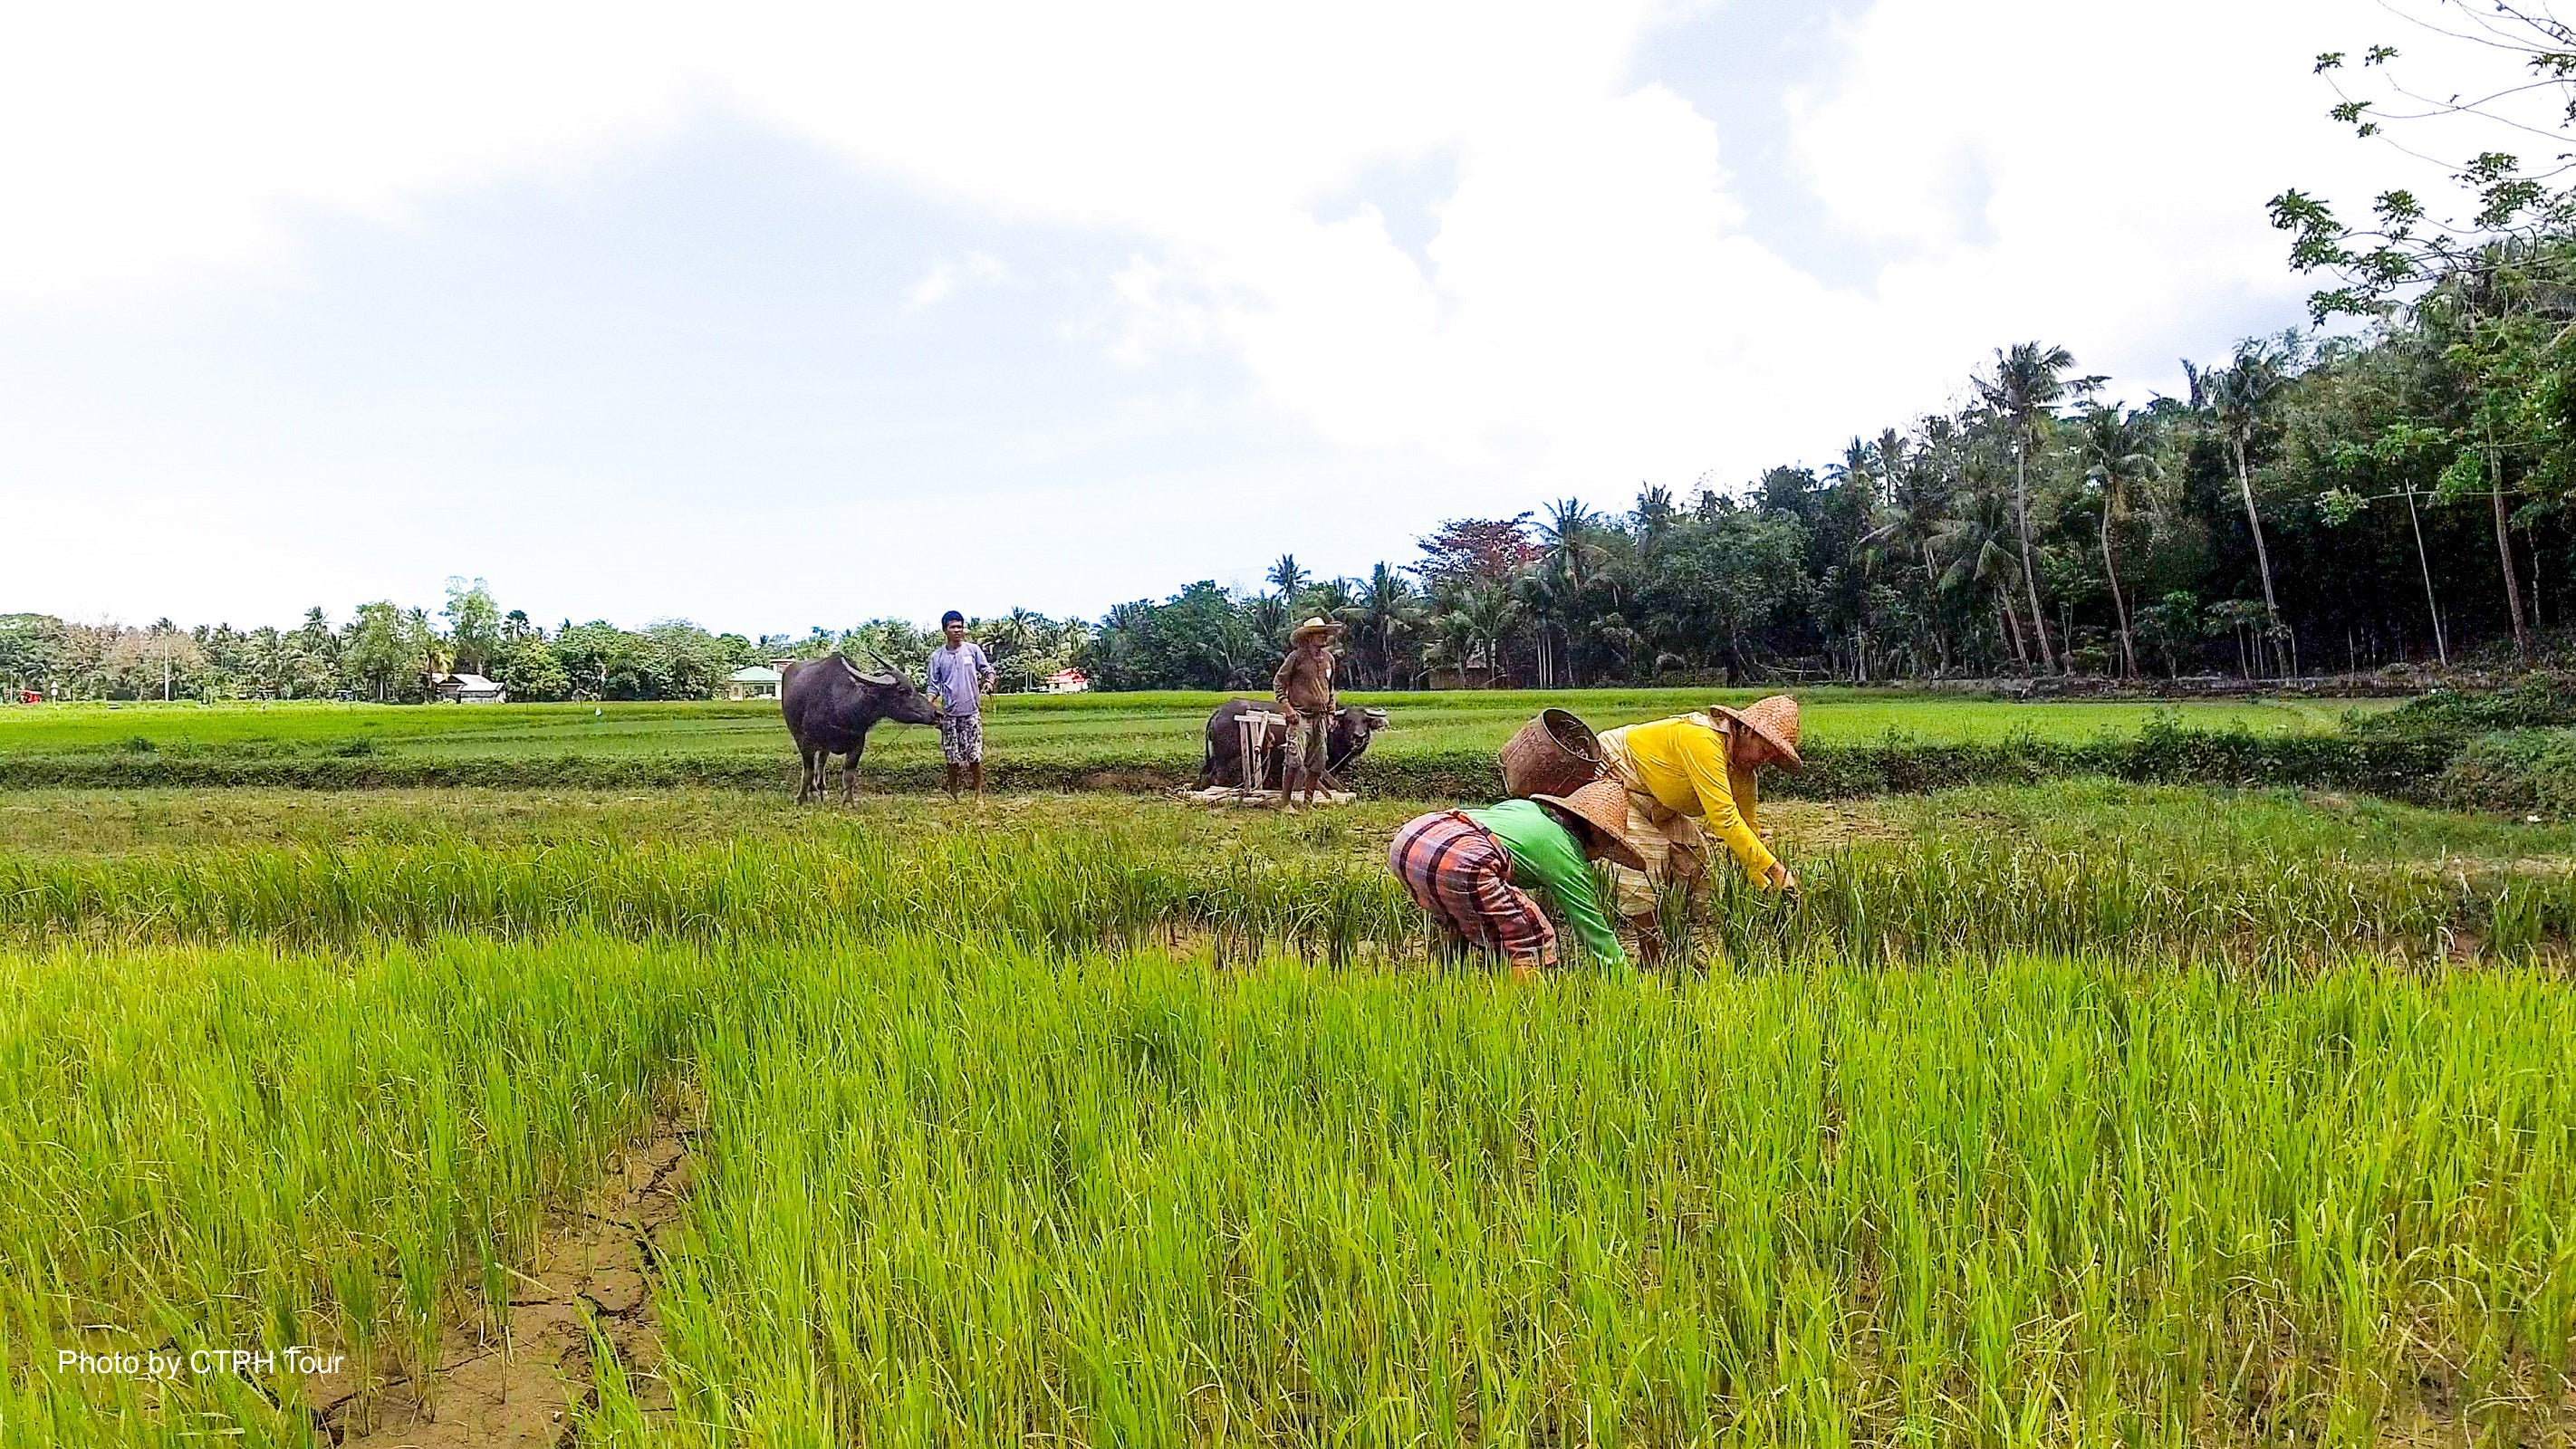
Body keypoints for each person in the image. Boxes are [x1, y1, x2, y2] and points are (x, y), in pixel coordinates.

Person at [1592, 695, 1803, 964]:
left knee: (1696, 864)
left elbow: (1749, 828)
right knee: (1647, 860)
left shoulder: (1743, 774)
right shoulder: (1703, 741)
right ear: (1747, 731)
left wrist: (1769, 886)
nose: (1764, 760)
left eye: (1772, 757)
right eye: (1764, 750)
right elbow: (1724, 819)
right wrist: (1777, 871)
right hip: (1615, 773)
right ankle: (1653, 963)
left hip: (1658, 800)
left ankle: (1683, 950)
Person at [1389, 779, 1647, 976]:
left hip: (1412, 839)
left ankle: (1445, 986)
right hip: (1463, 855)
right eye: (1605, 846)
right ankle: (1523, 1015)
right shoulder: (1567, 856)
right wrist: (1625, 981)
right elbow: (1594, 931)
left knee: (1459, 922)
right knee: (1531, 939)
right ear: (1593, 831)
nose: (1599, 857)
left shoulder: (1525, 808)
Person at [924, 609, 995, 800]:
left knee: (974, 756)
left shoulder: (973, 651)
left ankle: (978, 795)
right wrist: (928, 703)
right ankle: (954, 795)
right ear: (945, 630)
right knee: (952, 759)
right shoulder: (937, 657)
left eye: (960, 627)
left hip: (971, 712)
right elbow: (933, 685)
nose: (958, 630)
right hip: (949, 715)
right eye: (953, 627)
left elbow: (988, 671)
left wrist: (989, 682)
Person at [1272, 616, 1341, 810]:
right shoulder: (1296, 658)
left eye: (1325, 633)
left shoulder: (1329, 659)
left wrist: (1331, 712)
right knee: (1294, 759)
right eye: (1319, 634)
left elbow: (1330, 687)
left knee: (1319, 761)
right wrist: (1288, 709)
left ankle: (1307, 803)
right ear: (1309, 637)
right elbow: (1279, 683)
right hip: (1300, 716)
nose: (1323, 637)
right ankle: (1284, 803)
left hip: (1321, 717)